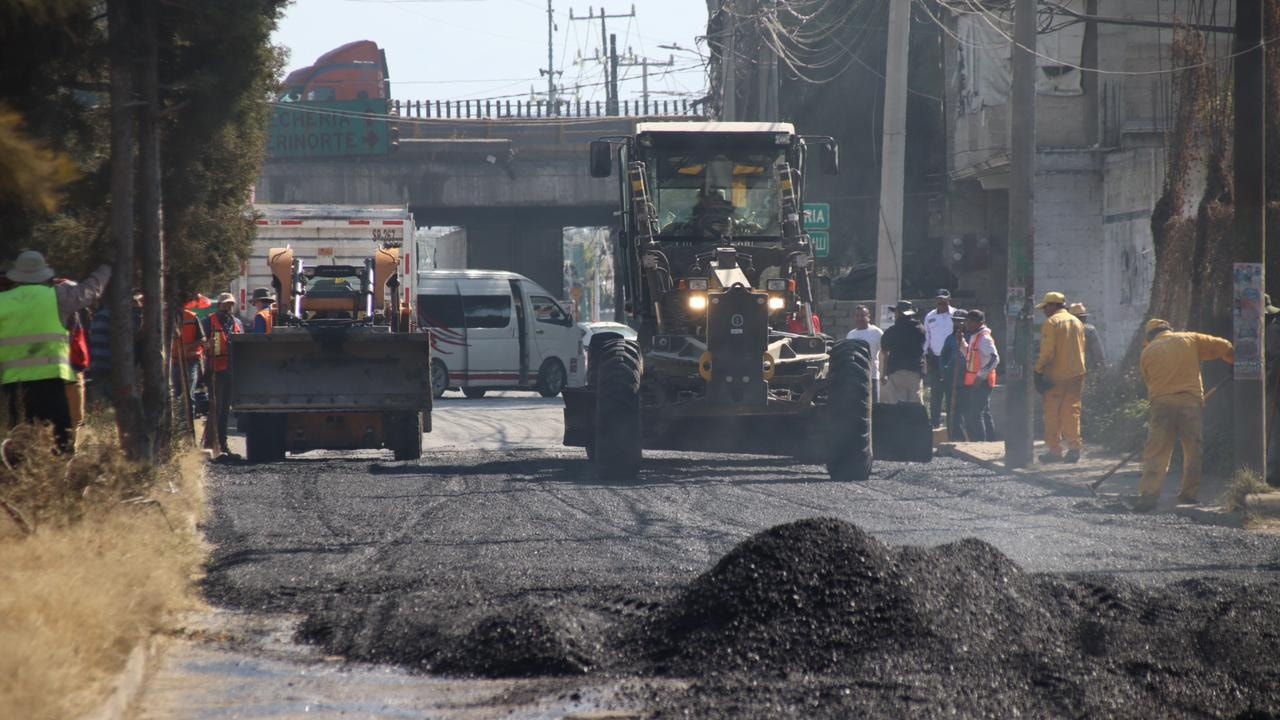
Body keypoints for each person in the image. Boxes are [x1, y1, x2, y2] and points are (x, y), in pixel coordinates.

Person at [0, 250, 110, 454]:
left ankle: (23, 479)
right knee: (62, 440)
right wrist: (106, 267)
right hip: (52, 381)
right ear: (44, 275)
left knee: (21, 439)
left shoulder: (3, 301)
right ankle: (60, 476)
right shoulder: (58, 296)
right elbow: (90, 291)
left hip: (13, 385)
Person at [1135, 319, 1234, 511]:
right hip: (1190, 404)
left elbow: (1150, 382)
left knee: (1157, 451)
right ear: (1169, 329)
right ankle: (1188, 495)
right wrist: (1234, 362)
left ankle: (1148, 495)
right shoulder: (1190, 338)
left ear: (1149, 336)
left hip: (1161, 404)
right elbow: (1225, 346)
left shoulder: (1147, 352)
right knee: (1192, 450)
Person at [1034, 291, 1087, 463]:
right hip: (1077, 374)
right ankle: (1074, 448)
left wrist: (1038, 370)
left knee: (1052, 413)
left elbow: (1048, 352)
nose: (1044, 311)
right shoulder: (1077, 321)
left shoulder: (1052, 323)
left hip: (1056, 375)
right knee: (1071, 411)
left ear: (1053, 306)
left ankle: (1055, 451)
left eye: (1045, 307)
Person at [203, 293, 244, 457]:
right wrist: (207, 345)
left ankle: (223, 444)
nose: (228, 307)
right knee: (216, 409)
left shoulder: (237, 323)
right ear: (219, 305)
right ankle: (214, 444)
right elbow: (202, 345)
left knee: (225, 410)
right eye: (225, 304)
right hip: (215, 372)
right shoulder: (208, 322)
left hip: (231, 372)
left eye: (230, 305)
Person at [959, 309, 1000, 441]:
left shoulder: (985, 338)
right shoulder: (974, 336)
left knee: (976, 414)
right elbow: (970, 356)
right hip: (975, 381)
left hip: (982, 381)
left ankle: (980, 442)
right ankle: (991, 440)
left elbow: (994, 359)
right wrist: (962, 344)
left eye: (970, 321)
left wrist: (980, 376)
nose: (967, 324)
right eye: (967, 321)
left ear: (979, 323)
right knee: (984, 413)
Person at [879, 300, 926, 404]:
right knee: (915, 406)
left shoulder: (890, 332)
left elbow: (885, 353)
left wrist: (883, 373)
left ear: (898, 313)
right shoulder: (920, 329)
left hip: (896, 371)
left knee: (897, 406)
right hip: (914, 371)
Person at [923, 289, 956, 428]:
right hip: (936, 359)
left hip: (952, 358)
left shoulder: (956, 314)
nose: (941, 302)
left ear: (949, 300)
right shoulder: (930, 316)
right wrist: (924, 357)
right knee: (936, 392)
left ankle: (952, 424)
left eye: (944, 299)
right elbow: (926, 338)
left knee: (951, 391)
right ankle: (934, 423)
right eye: (939, 299)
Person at [938, 308, 968, 438]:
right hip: (951, 379)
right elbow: (942, 357)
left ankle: (967, 437)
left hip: (967, 379)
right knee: (952, 410)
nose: (958, 324)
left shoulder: (971, 337)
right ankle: (954, 437)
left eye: (961, 322)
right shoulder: (950, 339)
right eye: (955, 321)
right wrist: (944, 372)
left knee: (966, 410)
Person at [845, 304, 883, 403]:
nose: (859, 318)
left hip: (872, 376)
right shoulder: (851, 335)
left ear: (868, 317)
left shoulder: (877, 333)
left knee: (874, 405)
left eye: (862, 316)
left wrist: (884, 373)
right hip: (855, 377)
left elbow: (884, 353)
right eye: (857, 316)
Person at [1265, 294, 1280, 486]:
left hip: (1277, 385)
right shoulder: (1274, 325)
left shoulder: (1273, 328)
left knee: (1274, 428)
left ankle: (1272, 472)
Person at [1069, 302, 1107, 374]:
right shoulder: (1089, 330)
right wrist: (1102, 368)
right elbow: (1098, 352)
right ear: (1084, 317)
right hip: (1087, 370)